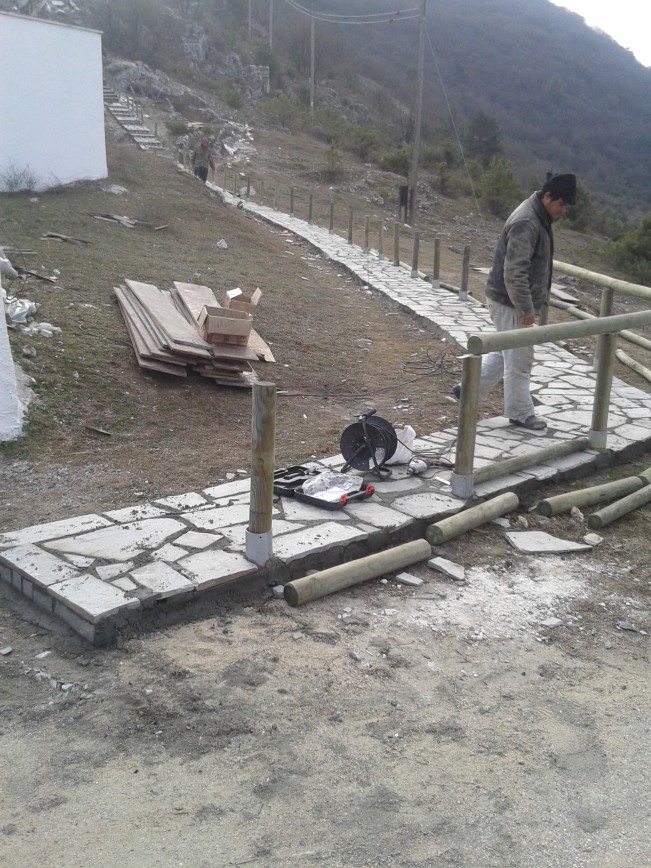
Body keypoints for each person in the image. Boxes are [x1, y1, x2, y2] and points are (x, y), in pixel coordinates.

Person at [453, 172, 577, 431]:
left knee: (502, 352)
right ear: (547, 196)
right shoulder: (527, 221)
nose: (563, 210)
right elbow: (515, 271)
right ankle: (521, 413)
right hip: (510, 301)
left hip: (506, 298)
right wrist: (525, 308)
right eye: (562, 204)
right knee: (520, 358)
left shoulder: (538, 215)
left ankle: (468, 391)